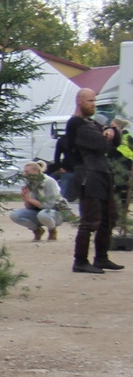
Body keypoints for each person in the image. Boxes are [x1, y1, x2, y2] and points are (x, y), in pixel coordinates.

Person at [65, 89, 123, 274]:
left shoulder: (90, 123)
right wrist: (109, 133)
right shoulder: (76, 124)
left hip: (102, 173)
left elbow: (113, 143)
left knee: (108, 218)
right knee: (90, 220)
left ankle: (101, 258)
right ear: (79, 101)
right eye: (89, 100)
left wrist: (112, 132)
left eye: (94, 101)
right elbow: (101, 144)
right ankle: (80, 260)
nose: (93, 104)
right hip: (88, 175)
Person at [9, 161, 65, 242]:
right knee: (14, 214)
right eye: (24, 171)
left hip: (54, 212)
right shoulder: (30, 182)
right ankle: (37, 230)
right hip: (38, 212)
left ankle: (52, 230)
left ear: (36, 171)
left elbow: (50, 206)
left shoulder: (49, 182)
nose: (24, 174)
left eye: (27, 172)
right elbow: (30, 207)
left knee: (43, 214)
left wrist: (30, 199)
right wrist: (26, 198)